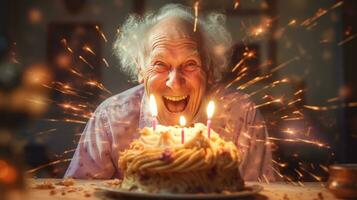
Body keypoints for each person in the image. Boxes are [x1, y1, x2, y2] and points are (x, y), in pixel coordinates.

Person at [65, 4, 275, 181]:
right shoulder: (110, 118)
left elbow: (260, 193)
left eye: (190, 64)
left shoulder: (241, 114)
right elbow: (77, 192)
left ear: (209, 68)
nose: (175, 82)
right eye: (160, 64)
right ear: (140, 68)